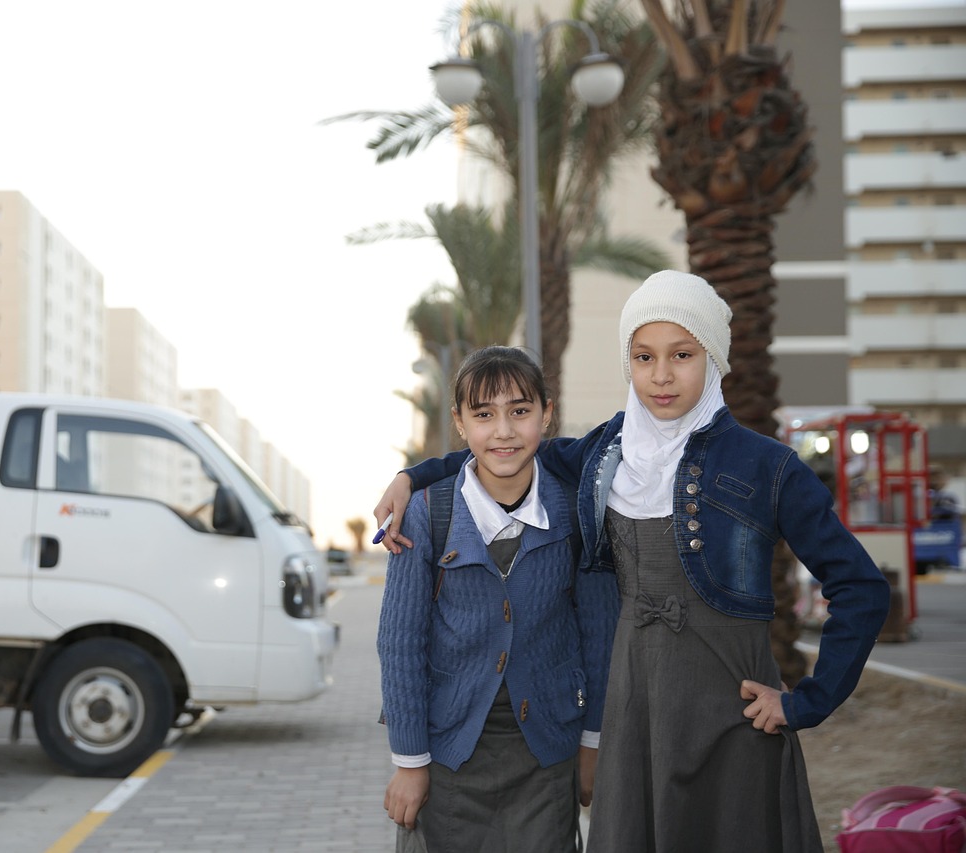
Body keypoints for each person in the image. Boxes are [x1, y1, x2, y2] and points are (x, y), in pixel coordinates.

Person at [375, 272, 891, 853]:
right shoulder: (604, 451)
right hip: (631, 717)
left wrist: (806, 702)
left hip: (729, 715)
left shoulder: (766, 467)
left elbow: (862, 588)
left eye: (683, 354)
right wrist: (412, 476)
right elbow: (506, 447)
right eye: (644, 356)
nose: (662, 375)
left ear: (714, 359)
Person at [377, 346, 619, 853]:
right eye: (484, 414)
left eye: (520, 411)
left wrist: (593, 742)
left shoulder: (575, 510)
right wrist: (409, 761)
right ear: (461, 424)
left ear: (546, 414)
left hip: (548, 749)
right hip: (449, 750)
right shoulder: (425, 513)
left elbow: (599, 634)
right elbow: (399, 644)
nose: (503, 430)